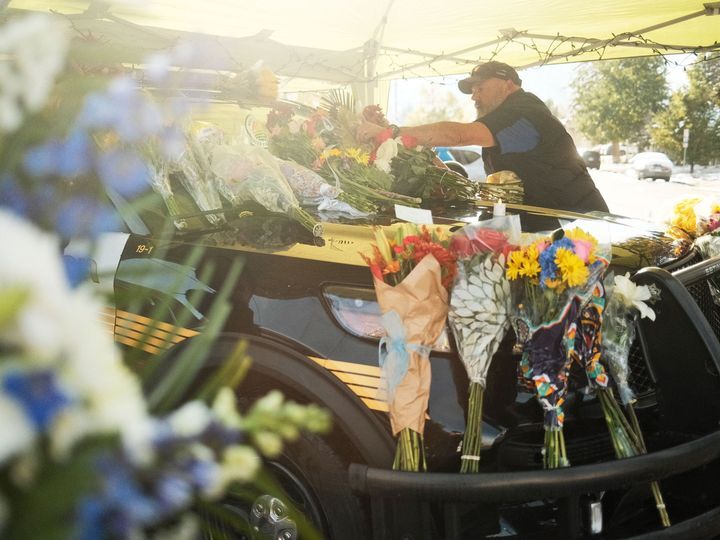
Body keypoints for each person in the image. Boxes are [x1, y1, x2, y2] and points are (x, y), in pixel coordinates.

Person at [359, 61, 608, 217]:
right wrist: (421, 154)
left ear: (508, 85)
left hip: (578, 222)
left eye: (481, 88)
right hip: (544, 220)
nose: (474, 97)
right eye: (473, 90)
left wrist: (393, 131)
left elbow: (458, 135)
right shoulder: (504, 121)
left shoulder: (523, 111)